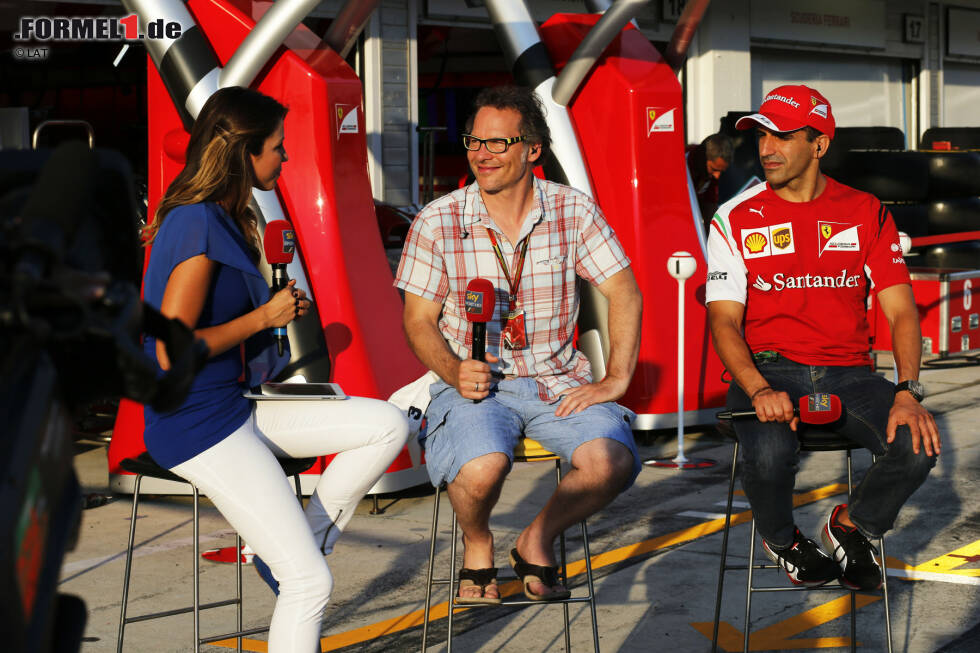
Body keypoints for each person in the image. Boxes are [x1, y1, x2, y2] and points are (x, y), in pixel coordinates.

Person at [140, 86, 409, 652]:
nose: (284, 158)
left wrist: (269, 318)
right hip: (196, 424)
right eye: (277, 148)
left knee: (386, 424)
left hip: (233, 404)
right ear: (245, 152)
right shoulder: (196, 223)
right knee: (310, 583)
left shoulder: (224, 217)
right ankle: (297, 559)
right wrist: (265, 314)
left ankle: (299, 543)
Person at [395, 85, 643, 603]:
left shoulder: (573, 210)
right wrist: (452, 369)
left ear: (533, 149)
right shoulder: (438, 219)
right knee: (484, 466)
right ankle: (478, 541)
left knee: (612, 461)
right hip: (473, 386)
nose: (480, 154)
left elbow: (624, 289)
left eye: (497, 143)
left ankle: (537, 537)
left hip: (558, 380)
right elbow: (418, 320)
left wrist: (616, 378)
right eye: (473, 142)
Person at [706, 85, 940, 590]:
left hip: (852, 373)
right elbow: (723, 322)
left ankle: (853, 526)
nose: (767, 147)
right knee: (767, 454)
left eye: (783, 135)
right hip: (768, 369)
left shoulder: (866, 210)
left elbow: (901, 312)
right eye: (762, 134)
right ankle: (783, 539)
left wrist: (907, 392)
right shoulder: (734, 217)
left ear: (819, 144)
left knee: (918, 445)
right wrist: (759, 388)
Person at [687, 132, 733, 229]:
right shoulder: (681, 164)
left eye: (721, 171)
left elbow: (710, 207)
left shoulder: (710, 174)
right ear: (703, 159)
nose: (717, 176)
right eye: (714, 169)